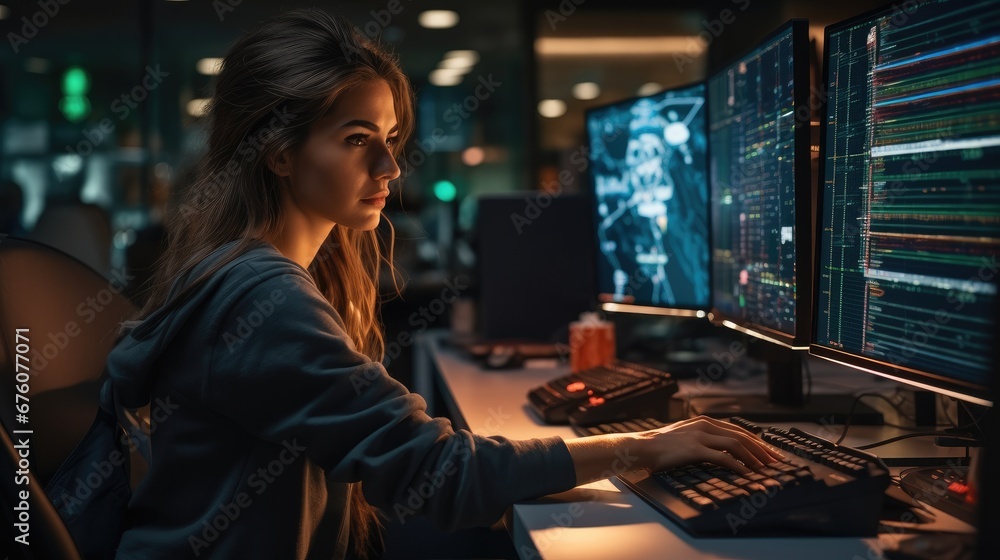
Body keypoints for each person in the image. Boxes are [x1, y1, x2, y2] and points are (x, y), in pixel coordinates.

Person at [106, 9, 781, 559]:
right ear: (279, 153)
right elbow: (438, 475)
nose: (390, 165)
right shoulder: (263, 296)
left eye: (392, 138)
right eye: (356, 139)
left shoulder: (239, 269)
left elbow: (422, 464)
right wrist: (639, 447)